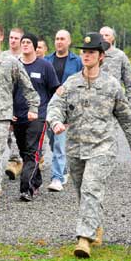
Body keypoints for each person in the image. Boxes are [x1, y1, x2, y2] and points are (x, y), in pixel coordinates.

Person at [47, 32, 131, 258]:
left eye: (91, 52)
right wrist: (56, 121)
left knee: (91, 188)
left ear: (101, 57)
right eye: (84, 52)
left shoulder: (111, 85)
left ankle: (83, 239)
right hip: (76, 147)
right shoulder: (71, 83)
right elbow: (55, 104)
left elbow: (126, 116)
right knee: (83, 191)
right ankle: (95, 225)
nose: (86, 55)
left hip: (103, 147)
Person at [0, 23, 39, 212]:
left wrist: (33, 107)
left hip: (1, 116)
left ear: (1, 37)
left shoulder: (11, 62)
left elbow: (27, 87)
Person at [13, 33, 60, 201]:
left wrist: (53, 113)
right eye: (23, 42)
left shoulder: (44, 66)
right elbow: (8, 90)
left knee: (32, 152)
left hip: (38, 116)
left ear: (34, 46)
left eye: (28, 42)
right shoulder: (14, 65)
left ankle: (26, 189)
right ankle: (37, 179)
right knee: (24, 151)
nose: (25, 44)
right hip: (18, 116)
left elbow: (55, 90)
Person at [45, 30, 83, 192]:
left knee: (60, 144)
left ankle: (57, 178)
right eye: (56, 39)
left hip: (68, 109)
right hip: (49, 108)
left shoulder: (77, 61)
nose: (59, 42)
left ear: (69, 42)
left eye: (62, 39)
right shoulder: (47, 61)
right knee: (53, 142)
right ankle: (64, 169)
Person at [3, 27, 25, 180]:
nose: (12, 40)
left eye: (16, 38)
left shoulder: (25, 58)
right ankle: (16, 160)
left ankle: (15, 161)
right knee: (5, 134)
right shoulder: (2, 56)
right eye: (11, 37)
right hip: (4, 100)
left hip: (19, 101)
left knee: (18, 134)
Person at [99, 26, 131, 103]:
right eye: (101, 35)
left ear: (113, 38)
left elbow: (128, 78)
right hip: (96, 98)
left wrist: (130, 99)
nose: (103, 37)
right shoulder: (92, 54)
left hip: (115, 98)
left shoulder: (120, 55)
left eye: (107, 35)